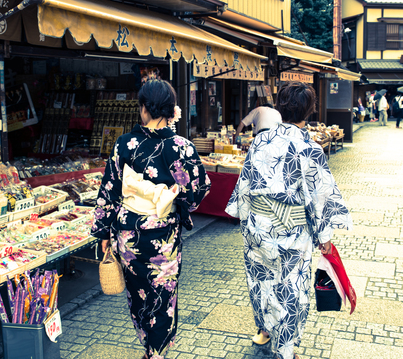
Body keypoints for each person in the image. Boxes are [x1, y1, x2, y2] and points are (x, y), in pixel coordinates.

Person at [225, 81, 352, 359]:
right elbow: (320, 197)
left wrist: (244, 217)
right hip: (291, 233)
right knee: (290, 290)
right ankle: (286, 349)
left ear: (279, 108)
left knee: (261, 282)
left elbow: (245, 184)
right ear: (309, 110)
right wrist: (325, 238)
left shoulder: (260, 140)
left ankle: (265, 330)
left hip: (258, 229)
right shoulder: (310, 147)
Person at [90, 80, 211, 359]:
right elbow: (197, 191)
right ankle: (157, 352)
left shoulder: (124, 144)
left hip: (128, 236)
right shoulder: (182, 147)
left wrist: (105, 234)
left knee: (138, 296)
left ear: (143, 108)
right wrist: (174, 198)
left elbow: (109, 189)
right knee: (163, 296)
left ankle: (150, 348)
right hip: (164, 238)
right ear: (170, 110)